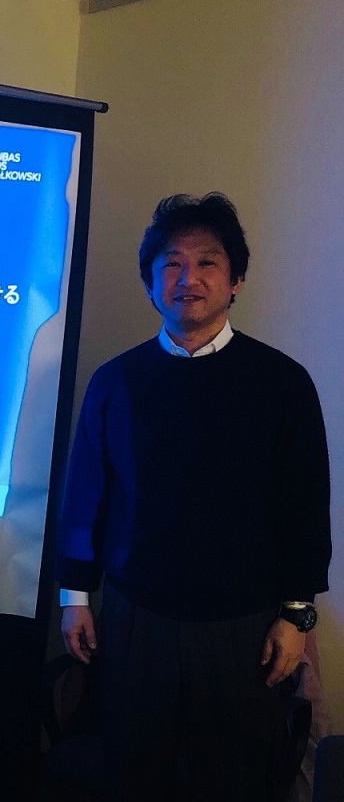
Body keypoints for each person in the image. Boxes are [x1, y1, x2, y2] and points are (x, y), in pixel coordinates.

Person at [55, 193, 330, 802]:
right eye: (172, 264)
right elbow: (86, 495)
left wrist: (296, 614)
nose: (189, 279)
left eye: (208, 262)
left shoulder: (282, 382)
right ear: (150, 283)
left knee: (233, 779)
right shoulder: (116, 381)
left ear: (235, 281)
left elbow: (306, 507)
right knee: (133, 773)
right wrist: (74, 597)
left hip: (244, 624)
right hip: (134, 616)